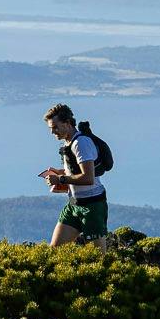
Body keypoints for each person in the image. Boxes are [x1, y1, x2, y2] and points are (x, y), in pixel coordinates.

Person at [39, 102, 107, 247]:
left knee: (98, 259)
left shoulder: (81, 143)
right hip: (73, 205)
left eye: (55, 127)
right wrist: (61, 172)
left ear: (68, 123)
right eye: (51, 128)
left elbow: (88, 177)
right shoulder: (67, 144)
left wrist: (60, 179)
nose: (52, 132)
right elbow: (76, 171)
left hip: (92, 206)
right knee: (54, 250)